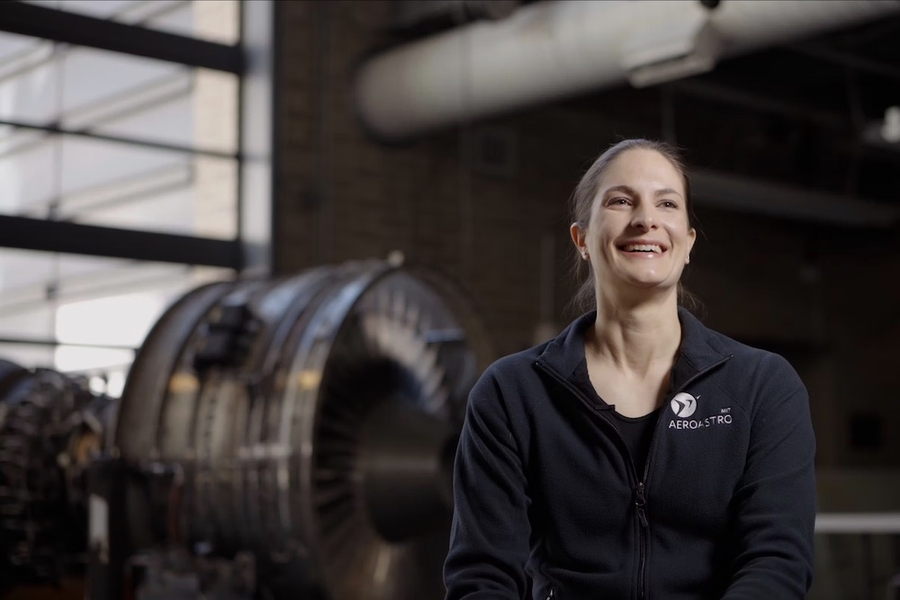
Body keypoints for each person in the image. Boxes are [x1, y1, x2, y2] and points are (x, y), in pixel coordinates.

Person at [443, 139, 816, 600]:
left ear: (687, 243)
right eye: (621, 201)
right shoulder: (511, 393)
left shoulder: (763, 386)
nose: (646, 219)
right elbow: (482, 576)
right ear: (581, 239)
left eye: (666, 203)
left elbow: (776, 561)